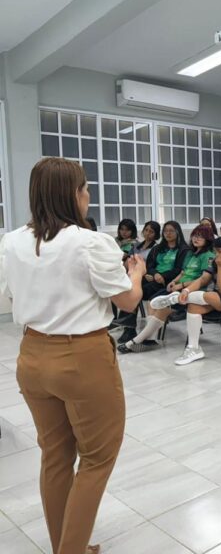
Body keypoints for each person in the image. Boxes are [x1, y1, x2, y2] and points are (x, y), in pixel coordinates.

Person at [0, 157, 146, 554]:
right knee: (97, 460)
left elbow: (7, 295)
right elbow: (128, 302)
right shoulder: (90, 242)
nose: (88, 195)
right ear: (72, 195)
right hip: (82, 358)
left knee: (56, 455)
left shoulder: (11, 241)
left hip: (31, 356)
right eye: (84, 189)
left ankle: (68, 547)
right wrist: (136, 273)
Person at [151, 237, 221, 366]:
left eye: (220, 251)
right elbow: (202, 279)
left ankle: (174, 299)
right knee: (194, 306)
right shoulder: (215, 262)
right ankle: (194, 348)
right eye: (215, 252)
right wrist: (186, 291)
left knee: (210, 295)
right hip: (219, 298)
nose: (217, 255)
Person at [118, 225, 216, 353]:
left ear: (208, 239)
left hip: (191, 290)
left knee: (161, 306)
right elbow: (182, 272)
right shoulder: (192, 253)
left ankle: (137, 341)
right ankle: (149, 339)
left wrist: (181, 285)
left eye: (200, 236)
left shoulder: (208, 256)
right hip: (177, 286)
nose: (196, 239)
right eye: (194, 235)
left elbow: (204, 279)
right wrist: (173, 281)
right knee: (153, 301)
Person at [114, 221, 189, 344]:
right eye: (166, 231)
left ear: (178, 232)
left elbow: (179, 270)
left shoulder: (184, 250)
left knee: (137, 291)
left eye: (171, 231)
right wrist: (154, 274)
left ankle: (131, 329)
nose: (168, 233)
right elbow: (149, 264)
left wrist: (161, 276)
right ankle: (129, 328)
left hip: (168, 282)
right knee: (130, 286)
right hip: (154, 278)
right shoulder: (158, 248)